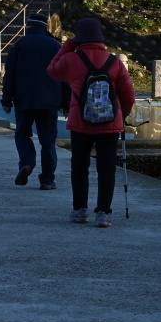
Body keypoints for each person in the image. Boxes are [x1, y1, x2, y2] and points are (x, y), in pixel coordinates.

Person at [47, 17, 135, 227]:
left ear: (79, 38)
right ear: (100, 37)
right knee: (107, 168)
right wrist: (121, 116)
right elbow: (129, 95)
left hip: (81, 123)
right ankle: (104, 213)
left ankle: (79, 210)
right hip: (109, 123)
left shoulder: (71, 59)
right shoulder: (114, 62)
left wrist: (68, 45)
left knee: (80, 166)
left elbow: (52, 70)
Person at [0, 13, 69, 190]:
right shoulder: (55, 45)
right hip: (50, 102)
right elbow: (65, 77)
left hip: (24, 100)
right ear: (45, 27)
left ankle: (27, 162)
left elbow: (10, 75)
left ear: (28, 27)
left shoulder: (19, 45)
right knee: (48, 141)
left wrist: (6, 99)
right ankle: (47, 179)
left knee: (22, 134)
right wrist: (67, 104)